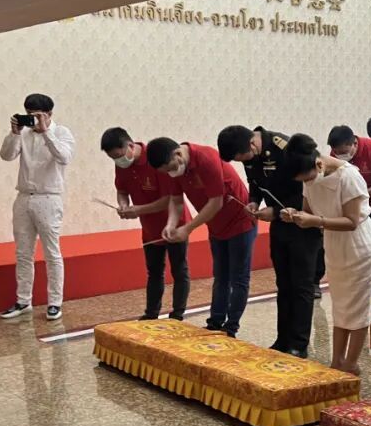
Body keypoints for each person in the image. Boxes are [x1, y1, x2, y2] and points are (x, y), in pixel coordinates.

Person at [218, 125, 320, 357]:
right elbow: (255, 183)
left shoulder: (285, 148)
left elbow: (307, 187)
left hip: (303, 222)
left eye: (243, 158)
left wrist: (274, 211)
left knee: (301, 286)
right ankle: (283, 340)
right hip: (280, 225)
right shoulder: (249, 153)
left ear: (252, 144)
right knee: (283, 283)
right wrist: (253, 201)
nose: (245, 162)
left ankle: (299, 344)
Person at [281, 134, 371, 375]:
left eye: (307, 178)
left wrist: (316, 221)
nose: (307, 183)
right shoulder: (310, 175)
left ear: (319, 163)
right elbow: (308, 210)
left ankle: (351, 364)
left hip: (358, 244)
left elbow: (352, 221)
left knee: (359, 307)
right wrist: (294, 214)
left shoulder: (349, 176)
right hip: (334, 244)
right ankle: (336, 361)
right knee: (340, 305)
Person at [147, 138, 256, 337]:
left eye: (171, 168)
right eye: (166, 171)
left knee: (238, 278)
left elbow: (216, 202)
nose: (171, 173)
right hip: (216, 227)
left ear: (177, 154)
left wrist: (187, 229)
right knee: (220, 276)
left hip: (240, 222)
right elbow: (176, 202)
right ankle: (215, 323)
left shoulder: (206, 158)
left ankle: (231, 327)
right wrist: (171, 225)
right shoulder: (174, 170)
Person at [0, 93, 75, 321]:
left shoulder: (62, 132)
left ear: (49, 114)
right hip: (23, 197)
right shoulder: (23, 133)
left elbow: (64, 157)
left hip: (49, 197)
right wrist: (14, 133)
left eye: (37, 115)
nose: (32, 119)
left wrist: (46, 132)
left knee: (52, 252)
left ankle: (55, 302)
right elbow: (6, 156)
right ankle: (23, 300)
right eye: (28, 114)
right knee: (23, 252)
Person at [101, 128, 190, 321]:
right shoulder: (122, 165)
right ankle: (151, 314)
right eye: (113, 159)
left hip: (174, 223)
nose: (118, 161)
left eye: (118, 156)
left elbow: (170, 199)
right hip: (150, 228)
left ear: (130, 146)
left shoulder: (156, 157)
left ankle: (177, 315)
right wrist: (123, 205)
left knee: (179, 270)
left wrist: (138, 210)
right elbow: (122, 190)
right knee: (154, 271)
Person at [327, 125, 371, 289]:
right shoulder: (334, 155)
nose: (340, 156)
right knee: (356, 247)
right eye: (337, 152)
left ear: (354, 143)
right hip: (353, 209)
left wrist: (359, 194)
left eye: (344, 151)